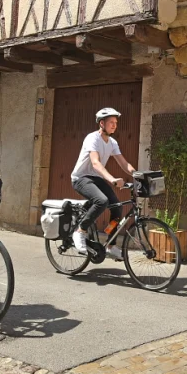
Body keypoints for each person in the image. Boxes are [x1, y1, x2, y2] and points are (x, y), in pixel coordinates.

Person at [71, 108, 136, 260]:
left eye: (116, 123)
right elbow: (95, 163)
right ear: (102, 123)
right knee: (102, 201)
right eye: (111, 122)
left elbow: (123, 163)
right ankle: (80, 231)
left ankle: (110, 244)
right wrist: (112, 179)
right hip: (81, 178)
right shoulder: (92, 138)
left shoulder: (112, 142)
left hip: (96, 179)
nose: (114, 125)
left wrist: (138, 174)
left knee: (117, 207)